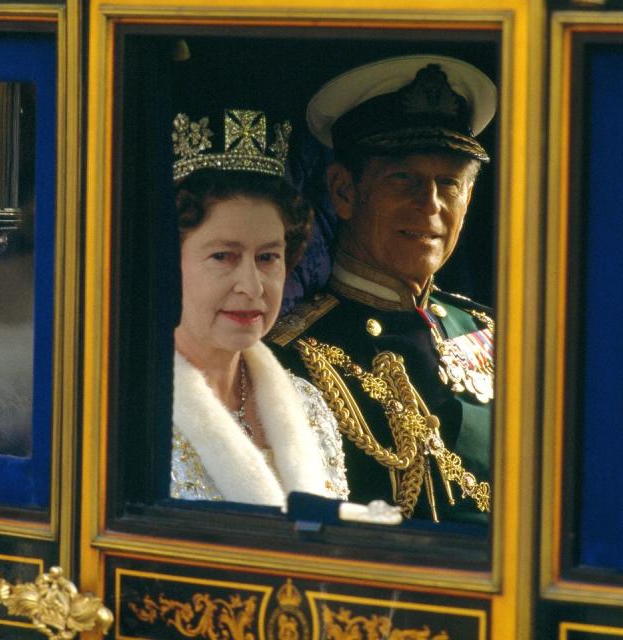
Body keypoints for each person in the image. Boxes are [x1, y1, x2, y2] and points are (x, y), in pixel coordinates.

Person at [268, 56, 496, 524]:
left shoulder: (487, 330)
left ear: (468, 200)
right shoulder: (295, 355)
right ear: (344, 191)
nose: (429, 204)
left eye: (448, 183)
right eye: (403, 179)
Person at [169, 108, 349, 506]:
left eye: (268, 258)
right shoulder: (127, 409)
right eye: (223, 256)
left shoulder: (309, 404)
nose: (252, 287)